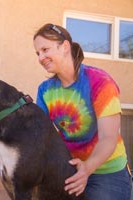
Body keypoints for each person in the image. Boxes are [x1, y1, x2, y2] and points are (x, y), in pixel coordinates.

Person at [33, 23, 132, 200]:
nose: (41, 57)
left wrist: (87, 168)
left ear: (64, 47)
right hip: (69, 169)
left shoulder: (99, 82)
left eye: (45, 49)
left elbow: (108, 137)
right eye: (37, 53)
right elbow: (42, 135)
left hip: (107, 171)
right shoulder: (45, 90)